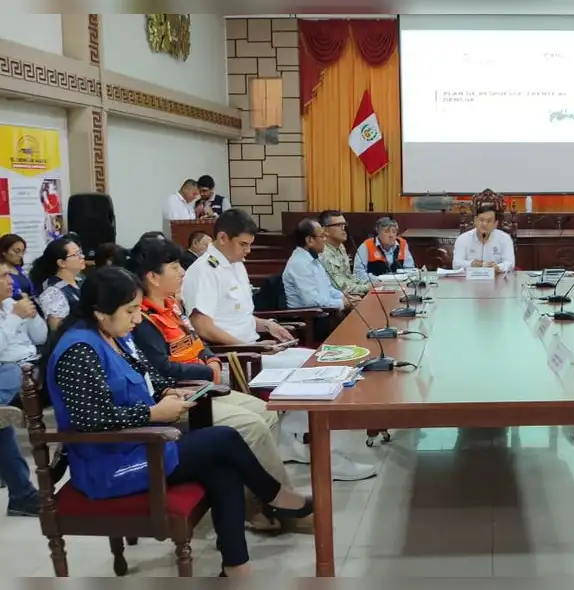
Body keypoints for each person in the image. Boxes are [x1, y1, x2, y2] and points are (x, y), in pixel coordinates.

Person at [42, 266, 312, 577]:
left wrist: (166, 391)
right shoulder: (79, 350)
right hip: (110, 464)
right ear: (100, 312)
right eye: (130, 311)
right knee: (223, 438)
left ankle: (237, 567)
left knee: (222, 469)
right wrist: (153, 414)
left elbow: (145, 376)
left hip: (140, 443)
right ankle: (274, 496)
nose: (137, 318)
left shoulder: (112, 336)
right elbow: (91, 420)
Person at [126, 238, 310, 533]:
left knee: (266, 411)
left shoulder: (172, 305)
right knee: (251, 425)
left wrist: (210, 360)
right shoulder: (143, 319)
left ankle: (258, 504)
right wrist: (204, 368)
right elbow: (162, 368)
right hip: (183, 395)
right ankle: (281, 506)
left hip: (205, 384)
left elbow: (199, 342)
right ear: (152, 276)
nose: (182, 272)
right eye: (174, 267)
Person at [182, 209, 377, 481]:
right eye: (243, 244)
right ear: (223, 238)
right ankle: (325, 456)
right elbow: (203, 326)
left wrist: (268, 326)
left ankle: (294, 440)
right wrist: (251, 346)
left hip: (254, 347)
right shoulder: (204, 271)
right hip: (234, 358)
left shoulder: (234, 264)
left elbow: (236, 315)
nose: (248, 250)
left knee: (334, 363)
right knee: (324, 374)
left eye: (250, 244)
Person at [0, 260, 44, 516]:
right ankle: (22, 496)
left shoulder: (10, 305)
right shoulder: (11, 311)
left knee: (2, 425)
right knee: (16, 371)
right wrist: (16, 317)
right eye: (4, 276)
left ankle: (22, 496)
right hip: (10, 369)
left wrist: (32, 314)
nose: (11, 281)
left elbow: (39, 337)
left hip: (25, 363)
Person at [284, 219, 347, 311]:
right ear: (309, 240)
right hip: (308, 318)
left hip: (325, 312)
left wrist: (345, 298)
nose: (325, 240)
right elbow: (311, 301)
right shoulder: (299, 264)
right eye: (322, 236)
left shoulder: (314, 258)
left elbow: (328, 289)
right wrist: (341, 303)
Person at [30, 237, 86, 331]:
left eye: (81, 252)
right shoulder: (53, 292)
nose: (82, 256)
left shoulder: (80, 281)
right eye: (77, 254)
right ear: (61, 263)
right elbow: (57, 331)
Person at [317, 210, 370, 297]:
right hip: (337, 301)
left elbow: (348, 276)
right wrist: (366, 287)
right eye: (338, 225)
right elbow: (339, 286)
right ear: (325, 230)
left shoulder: (340, 246)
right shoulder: (323, 251)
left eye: (344, 224)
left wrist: (369, 283)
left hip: (351, 296)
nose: (344, 228)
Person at [452, 205, 515, 273]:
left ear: (495, 224)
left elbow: (510, 264)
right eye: (481, 220)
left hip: (496, 280)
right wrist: (471, 264)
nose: (484, 224)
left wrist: (497, 267)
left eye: (489, 221)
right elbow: (456, 264)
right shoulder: (463, 239)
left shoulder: (505, 238)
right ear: (475, 220)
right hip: (470, 280)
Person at [353, 217, 415, 282]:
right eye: (386, 231)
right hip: (375, 287)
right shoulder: (366, 245)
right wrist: (377, 281)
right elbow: (358, 273)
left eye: (394, 232)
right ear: (378, 232)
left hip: (400, 286)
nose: (391, 235)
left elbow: (410, 269)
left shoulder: (402, 244)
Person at [0, 234, 33, 299]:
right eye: (17, 251)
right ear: (4, 251)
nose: (21, 255)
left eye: (23, 252)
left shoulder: (19, 269)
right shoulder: (1, 272)